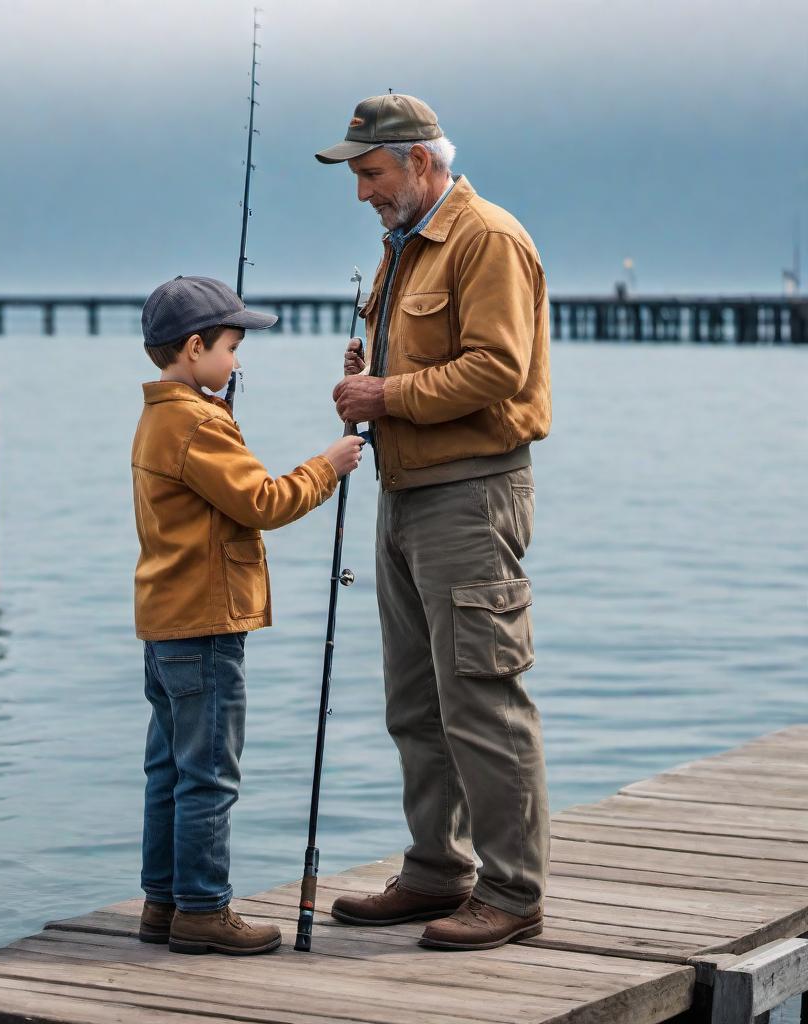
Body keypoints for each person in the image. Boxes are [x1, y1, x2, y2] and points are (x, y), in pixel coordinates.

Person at [317, 94, 552, 950]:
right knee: (416, 700)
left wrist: (388, 393)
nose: (361, 192)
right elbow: (429, 355)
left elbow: (498, 367)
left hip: (471, 493)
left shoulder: (487, 237)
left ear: (420, 161)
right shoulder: (400, 248)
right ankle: (435, 871)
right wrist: (370, 364)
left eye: (370, 173)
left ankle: (514, 891)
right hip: (405, 492)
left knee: (482, 696)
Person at [132, 275, 364, 956]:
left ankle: (162, 903)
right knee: (210, 773)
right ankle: (203, 911)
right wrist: (329, 464)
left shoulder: (162, 416)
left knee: (170, 771)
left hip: (165, 623)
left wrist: (218, 412)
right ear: (196, 346)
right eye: (231, 346)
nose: (237, 360)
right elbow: (262, 502)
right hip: (205, 627)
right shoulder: (198, 422)